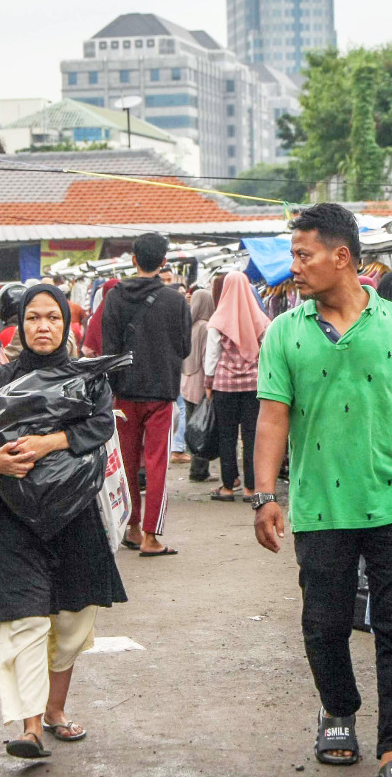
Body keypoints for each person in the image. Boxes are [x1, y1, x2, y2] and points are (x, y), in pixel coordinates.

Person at [250, 203, 392, 777]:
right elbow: (271, 419)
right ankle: (337, 708)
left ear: (341, 256)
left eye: (303, 254)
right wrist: (266, 495)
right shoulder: (285, 332)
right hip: (321, 507)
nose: (294, 267)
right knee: (325, 623)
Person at [0, 285, 127, 759]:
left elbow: (101, 424)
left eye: (53, 319)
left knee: (71, 620)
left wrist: (50, 442)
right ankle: (29, 728)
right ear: (20, 324)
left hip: (76, 515)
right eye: (34, 318)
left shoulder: (88, 377)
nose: (43, 327)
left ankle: (55, 711)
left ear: (67, 325)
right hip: (14, 518)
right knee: (23, 621)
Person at [101, 233, 191, 557]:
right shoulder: (176, 301)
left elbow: (107, 349)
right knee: (156, 464)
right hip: (161, 392)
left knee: (126, 463)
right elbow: (185, 348)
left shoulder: (114, 297)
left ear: (134, 259)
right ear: (164, 262)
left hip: (123, 392)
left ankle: (132, 527)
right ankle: (153, 537)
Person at [204, 271, 270, 501]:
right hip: (254, 385)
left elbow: (212, 355)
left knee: (227, 436)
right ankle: (252, 488)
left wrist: (208, 382)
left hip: (225, 386)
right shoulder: (260, 318)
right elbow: (268, 350)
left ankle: (228, 486)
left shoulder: (218, 320)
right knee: (252, 437)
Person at [179, 286, 216, 483]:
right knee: (202, 428)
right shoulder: (205, 327)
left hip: (186, 381)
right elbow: (206, 359)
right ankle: (199, 470)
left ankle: (196, 468)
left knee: (193, 425)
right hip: (200, 383)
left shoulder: (189, 326)